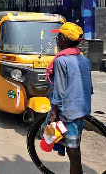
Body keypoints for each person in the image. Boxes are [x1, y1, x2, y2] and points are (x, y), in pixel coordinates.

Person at [45, 22, 92, 174]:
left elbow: (59, 90)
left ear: (64, 40)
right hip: (82, 109)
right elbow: (88, 88)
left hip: (68, 112)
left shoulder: (61, 61)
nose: (57, 39)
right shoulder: (84, 59)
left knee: (73, 151)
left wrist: (53, 113)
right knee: (74, 145)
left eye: (58, 36)